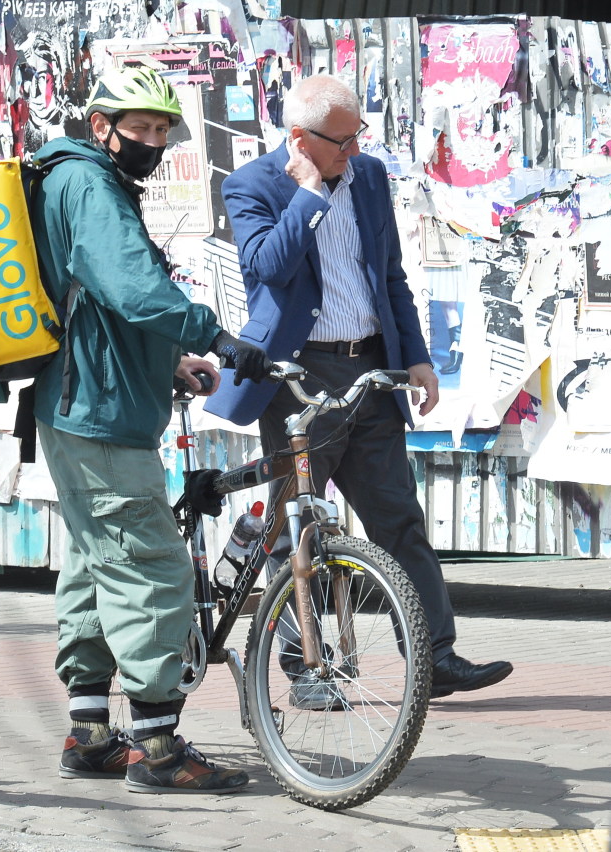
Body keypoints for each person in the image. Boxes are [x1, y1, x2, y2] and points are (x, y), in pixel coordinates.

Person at [206, 75, 512, 702]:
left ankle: (436, 657)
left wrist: (418, 359)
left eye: (356, 138)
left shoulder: (369, 177)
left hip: (370, 370)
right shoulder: (252, 186)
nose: (354, 151)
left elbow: (389, 274)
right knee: (299, 530)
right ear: (300, 138)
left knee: (398, 519)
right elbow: (267, 267)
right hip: (297, 378)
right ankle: (304, 670)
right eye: (342, 142)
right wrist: (310, 195)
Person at [27, 66, 269, 794]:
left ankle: (92, 732)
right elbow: (132, 287)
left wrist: (168, 364)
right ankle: (158, 748)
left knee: (96, 562)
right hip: (97, 411)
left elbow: (97, 305)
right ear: (101, 125)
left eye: (164, 129)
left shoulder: (77, 180)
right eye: (142, 126)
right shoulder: (91, 185)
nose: (154, 141)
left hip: (91, 399)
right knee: (149, 565)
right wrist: (217, 337)